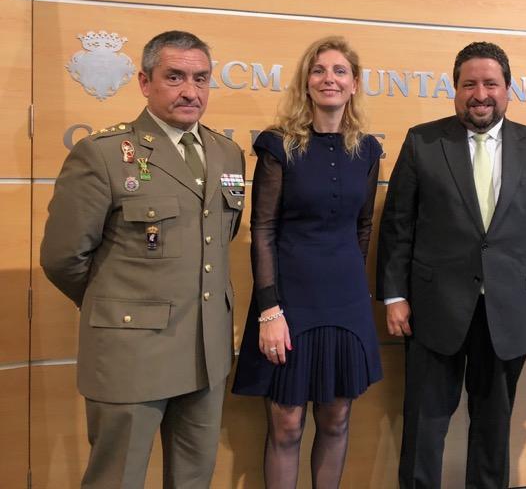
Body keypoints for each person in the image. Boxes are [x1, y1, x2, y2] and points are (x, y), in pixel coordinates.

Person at [40, 30, 246, 489]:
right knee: (117, 479)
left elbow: (219, 240)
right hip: (130, 352)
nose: (190, 91)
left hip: (206, 351)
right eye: (174, 77)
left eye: (200, 78)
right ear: (145, 82)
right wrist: (114, 306)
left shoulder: (227, 153)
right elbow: (62, 257)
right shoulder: (104, 154)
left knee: (194, 480)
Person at [377, 41, 526, 489]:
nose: (480, 94)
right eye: (469, 84)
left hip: (508, 313)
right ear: (455, 89)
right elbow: (397, 227)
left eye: (491, 83)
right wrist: (394, 296)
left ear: (508, 88)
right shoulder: (422, 141)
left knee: (493, 429)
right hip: (433, 310)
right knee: (424, 426)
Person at [232, 36, 382, 488]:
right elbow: (263, 229)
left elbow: (362, 227)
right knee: (287, 423)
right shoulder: (279, 145)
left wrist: (351, 287)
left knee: (336, 417)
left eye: (339, 71)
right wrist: (269, 310)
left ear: (354, 83)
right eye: (319, 70)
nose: (328, 79)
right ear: (306, 82)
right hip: (289, 303)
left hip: (346, 303)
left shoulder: (367, 150)